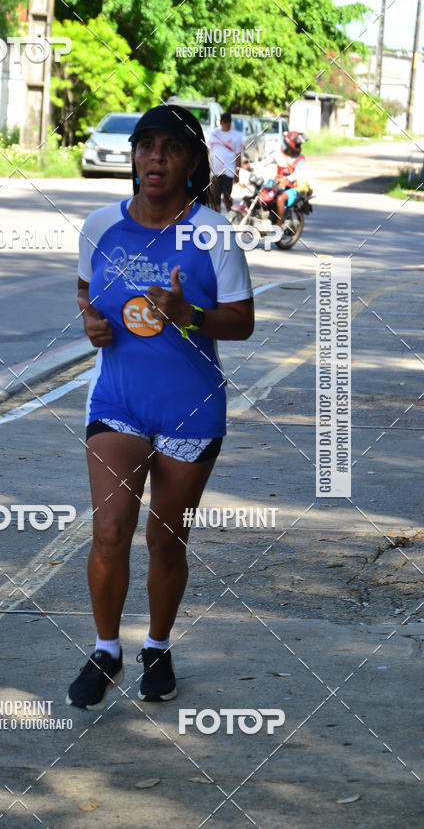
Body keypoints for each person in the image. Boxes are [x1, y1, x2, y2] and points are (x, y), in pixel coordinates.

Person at [67, 104, 254, 710]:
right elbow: (84, 287)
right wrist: (92, 321)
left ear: (194, 160)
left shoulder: (213, 234)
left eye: (170, 148)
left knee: (166, 539)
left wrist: (189, 315)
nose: (155, 157)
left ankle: (156, 645)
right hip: (117, 403)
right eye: (145, 146)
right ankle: (105, 649)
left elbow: (243, 323)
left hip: (190, 412)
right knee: (110, 529)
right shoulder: (100, 224)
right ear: (134, 157)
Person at [255, 130, 308, 226]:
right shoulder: (278, 154)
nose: (299, 147)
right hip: (277, 184)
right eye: (297, 145)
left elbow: (298, 172)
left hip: (292, 187)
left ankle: (278, 227)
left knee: (280, 199)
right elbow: (263, 163)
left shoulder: (300, 158)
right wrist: (248, 166)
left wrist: (287, 180)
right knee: (259, 193)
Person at [207, 111, 244, 212]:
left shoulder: (236, 136)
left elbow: (238, 155)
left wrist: (237, 172)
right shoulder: (214, 135)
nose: (227, 124)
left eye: (229, 122)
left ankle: (230, 214)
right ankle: (217, 218)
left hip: (229, 171)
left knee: (227, 197)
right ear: (221, 122)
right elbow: (208, 151)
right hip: (215, 172)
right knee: (215, 198)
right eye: (225, 122)